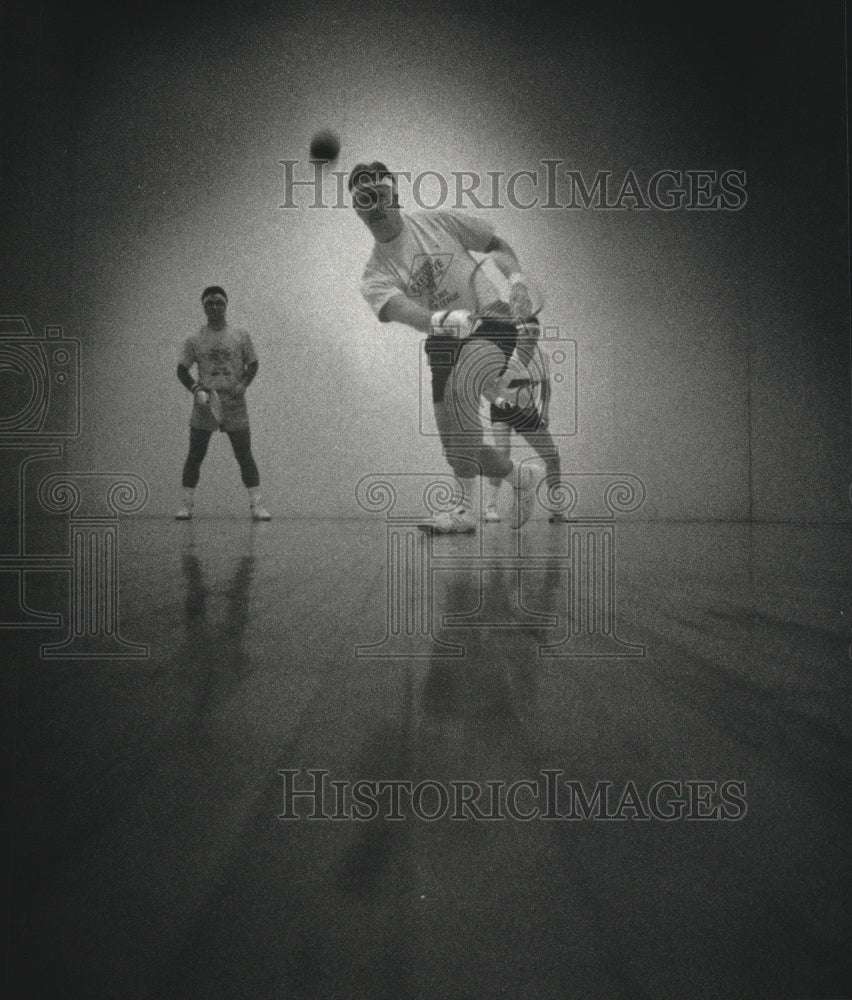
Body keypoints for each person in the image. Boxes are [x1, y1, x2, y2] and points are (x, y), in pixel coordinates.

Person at [350, 161, 561, 532]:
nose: (375, 206)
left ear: (395, 196)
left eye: (380, 196)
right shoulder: (374, 274)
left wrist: (517, 281)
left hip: (492, 321)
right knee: (454, 446)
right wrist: (439, 322)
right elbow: (398, 309)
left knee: (462, 390)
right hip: (443, 342)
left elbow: (496, 244)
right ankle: (518, 479)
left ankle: (464, 510)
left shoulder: (439, 222)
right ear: (357, 209)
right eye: (365, 200)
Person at [174, 286, 271, 521]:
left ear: (226, 305)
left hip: (234, 402)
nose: (215, 307)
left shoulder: (240, 334)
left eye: (219, 302)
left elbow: (253, 364)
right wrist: (196, 389)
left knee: (244, 454)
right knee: (195, 455)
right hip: (206, 402)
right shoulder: (195, 339)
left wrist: (243, 384)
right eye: (210, 303)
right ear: (204, 307)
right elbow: (181, 370)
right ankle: (186, 505)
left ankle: (257, 506)